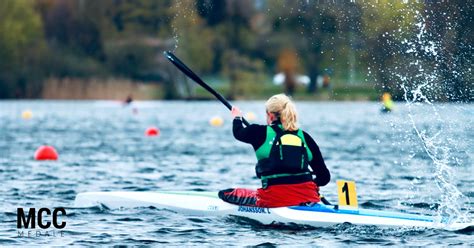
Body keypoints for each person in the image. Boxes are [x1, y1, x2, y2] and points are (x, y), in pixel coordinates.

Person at [218, 94, 330, 208]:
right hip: (309, 198)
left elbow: (238, 133)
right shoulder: (305, 137)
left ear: (270, 115)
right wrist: (311, 185)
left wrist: (237, 117)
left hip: (273, 200)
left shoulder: (259, 132)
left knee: (225, 194)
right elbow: (325, 177)